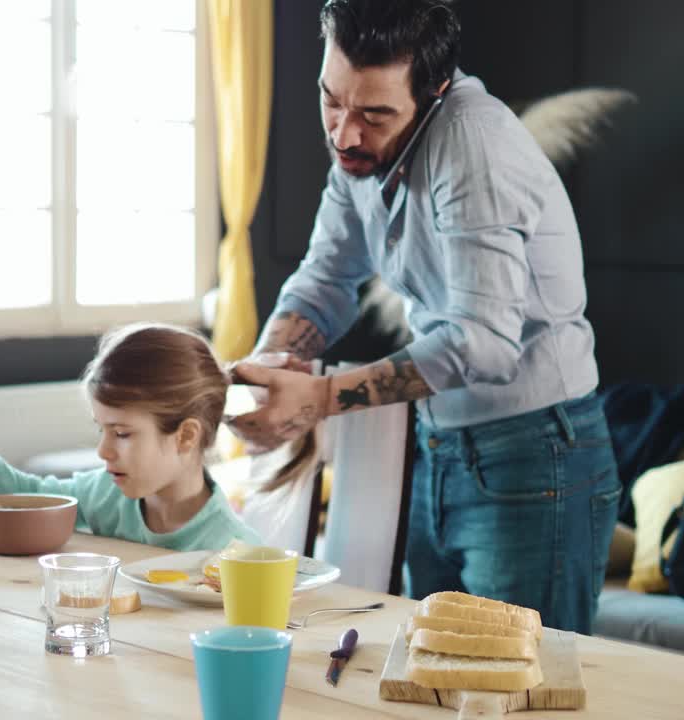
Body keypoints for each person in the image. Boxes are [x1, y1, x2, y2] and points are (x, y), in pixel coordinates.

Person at [225, 0, 620, 633]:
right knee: (427, 682)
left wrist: (320, 397)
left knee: (522, 690)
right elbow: (326, 276)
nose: (345, 133)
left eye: (375, 113)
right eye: (332, 100)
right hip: (437, 446)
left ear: (434, 92)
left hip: (534, 453)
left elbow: (483, 344)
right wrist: (273, 364)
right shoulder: (358, 150)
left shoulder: (474, 148)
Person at [0, 323, 261, 552]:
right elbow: (37, 498)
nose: (103, 451)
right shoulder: (106, 494)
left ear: (186, 436)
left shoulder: (235, 549)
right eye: (101, 429)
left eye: (121, 433)